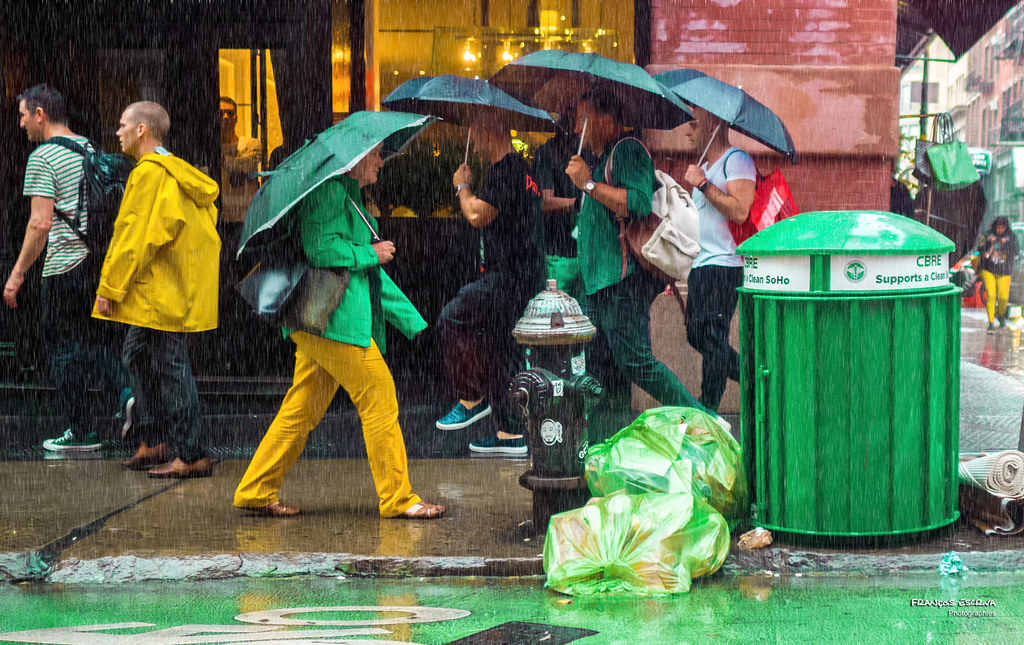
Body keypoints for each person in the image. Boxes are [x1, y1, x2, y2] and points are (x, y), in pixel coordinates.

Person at [233, 142, 445, 519]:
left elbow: (366, 277)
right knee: (379, 397)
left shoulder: (346, 193)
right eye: (376, 154)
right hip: (334, 323)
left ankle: (256, 489)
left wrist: (415, 324)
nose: (382, 161)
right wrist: (371, 253)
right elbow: (321, 250)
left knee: (301, 409)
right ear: (355, 157)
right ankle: (398, 498)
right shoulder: (330, 191)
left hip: (324, 321)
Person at [564, 87, 707, 439]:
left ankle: (704, 421)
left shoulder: (628, 150)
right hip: (598, 286)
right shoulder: (596, 160)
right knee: (598, 372)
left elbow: (638, 203)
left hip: (622, 281)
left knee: (637, 364)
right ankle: (602, 448)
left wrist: (589, 184)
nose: (576, 124)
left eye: (583, 117)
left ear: (606, 119)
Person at [3, 84, 132, 452]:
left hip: (63, 267)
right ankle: (126, 392)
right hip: (96, 265)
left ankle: (81, 431)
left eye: (24, 115)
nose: (21, 123)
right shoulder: (90, 147)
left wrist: (17, 274)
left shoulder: (43, 156)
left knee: (62, 349)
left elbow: (40, 223)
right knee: (92, 343)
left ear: (40, 115)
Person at [94, 101, 220, 478]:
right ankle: (156, 440)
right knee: (137, 355)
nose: (117, 132)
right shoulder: (176, 172)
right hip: (165, 288)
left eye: (122, 125)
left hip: (156, 292)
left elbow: (134, 239)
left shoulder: (148, 174)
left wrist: (111, 287)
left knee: (170, 367)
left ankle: (191, 451)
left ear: (141, 130)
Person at [436, 112, 546, 455]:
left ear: (489, 131)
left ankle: (471, 397)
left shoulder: (507, 169)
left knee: (452, 317)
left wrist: (462, 186)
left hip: (509, 276)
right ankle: (511, 435)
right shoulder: (519, 169)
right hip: (523, 275)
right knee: (502, 350)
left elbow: (476, 215)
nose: (474, 141)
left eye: (475, 131)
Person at [681, 106, 757, 412]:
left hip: (724, 265)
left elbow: (740, 211)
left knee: (711, 339)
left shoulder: (736, 159)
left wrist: (703, 185)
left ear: (712, 123)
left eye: (693, 123)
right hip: (702, 266)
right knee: (697, 334)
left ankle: (707, 411)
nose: (687, 130)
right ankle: (754, 379)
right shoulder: (706, 165)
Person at [532, 113, 591, 298]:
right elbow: (545, 201)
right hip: (559, 253)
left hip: (584, 254)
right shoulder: (547, 153)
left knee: (567, 318)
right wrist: (580, 204)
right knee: (560, 315)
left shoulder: (588, 154)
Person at [977, 216, 1019, 333]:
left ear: (1006, 227)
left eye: (1002, 227)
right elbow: (979, 248)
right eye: (998, 227)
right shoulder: (988, 234)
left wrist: (1005, 244)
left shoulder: (1011, 236)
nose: (1000, 230)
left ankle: (1000, 315)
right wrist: (990, 241)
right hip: (988, 269)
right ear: (995, 226)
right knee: (991, 295)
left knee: (1003, 297)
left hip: (1005, 271)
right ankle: (991, 322)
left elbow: (1016, 251)